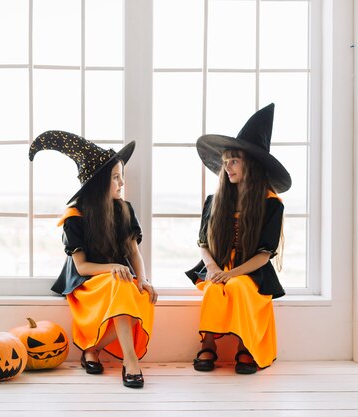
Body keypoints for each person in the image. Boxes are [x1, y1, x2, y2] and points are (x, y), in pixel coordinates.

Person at [29, 130, 157, 388]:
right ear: (99, 183)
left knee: (139, 295)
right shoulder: (75, 216)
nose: (121, 183)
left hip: (117, 279)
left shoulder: (124, 209)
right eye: (116, 178)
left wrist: (142, 279)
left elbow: (134, 252)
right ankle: (130, 361)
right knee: (122, 286)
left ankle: (92, 349)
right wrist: (114, 268)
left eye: (122, 177)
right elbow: (82, 266)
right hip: (88, 283)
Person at [185, 103, 290, 374]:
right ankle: (208, 344)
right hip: (218, 266)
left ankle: (246, 347)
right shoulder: (215, 200)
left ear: (250, 164)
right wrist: (214, 269)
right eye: (225, 162)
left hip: (252, 270)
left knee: (239, 287)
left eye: (234, 161)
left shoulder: (271, 204)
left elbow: (264, 254)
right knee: (213, 288)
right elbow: (203, 244)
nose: (227, 167)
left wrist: (232, 274)